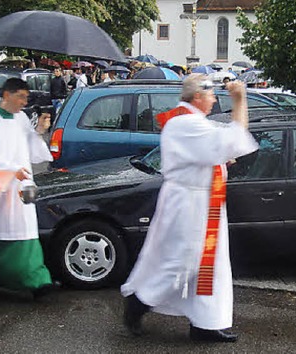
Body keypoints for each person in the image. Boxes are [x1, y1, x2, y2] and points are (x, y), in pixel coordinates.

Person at [121, 75, 258, 342]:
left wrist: (218, 163)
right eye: (211, 95)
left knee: (212, 263)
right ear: (197, 97)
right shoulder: (186, 123)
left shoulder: (190, 122)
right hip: (188, 203)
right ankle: (138, 303)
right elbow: (235, 139)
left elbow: (206, 154)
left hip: (203, 201)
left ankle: (205, 323)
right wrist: (240, 100)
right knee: (183, 260)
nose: (215, 99)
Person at [0, 78, 55, 300]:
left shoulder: (21, 118)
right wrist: (10, 170)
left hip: (21, 187)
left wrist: (39, 130)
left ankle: (37, 279)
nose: (24, 102)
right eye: (21, 96)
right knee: (1, 229)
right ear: (6, 95)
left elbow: (29, 147)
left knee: (26, 227)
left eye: (26, 98)